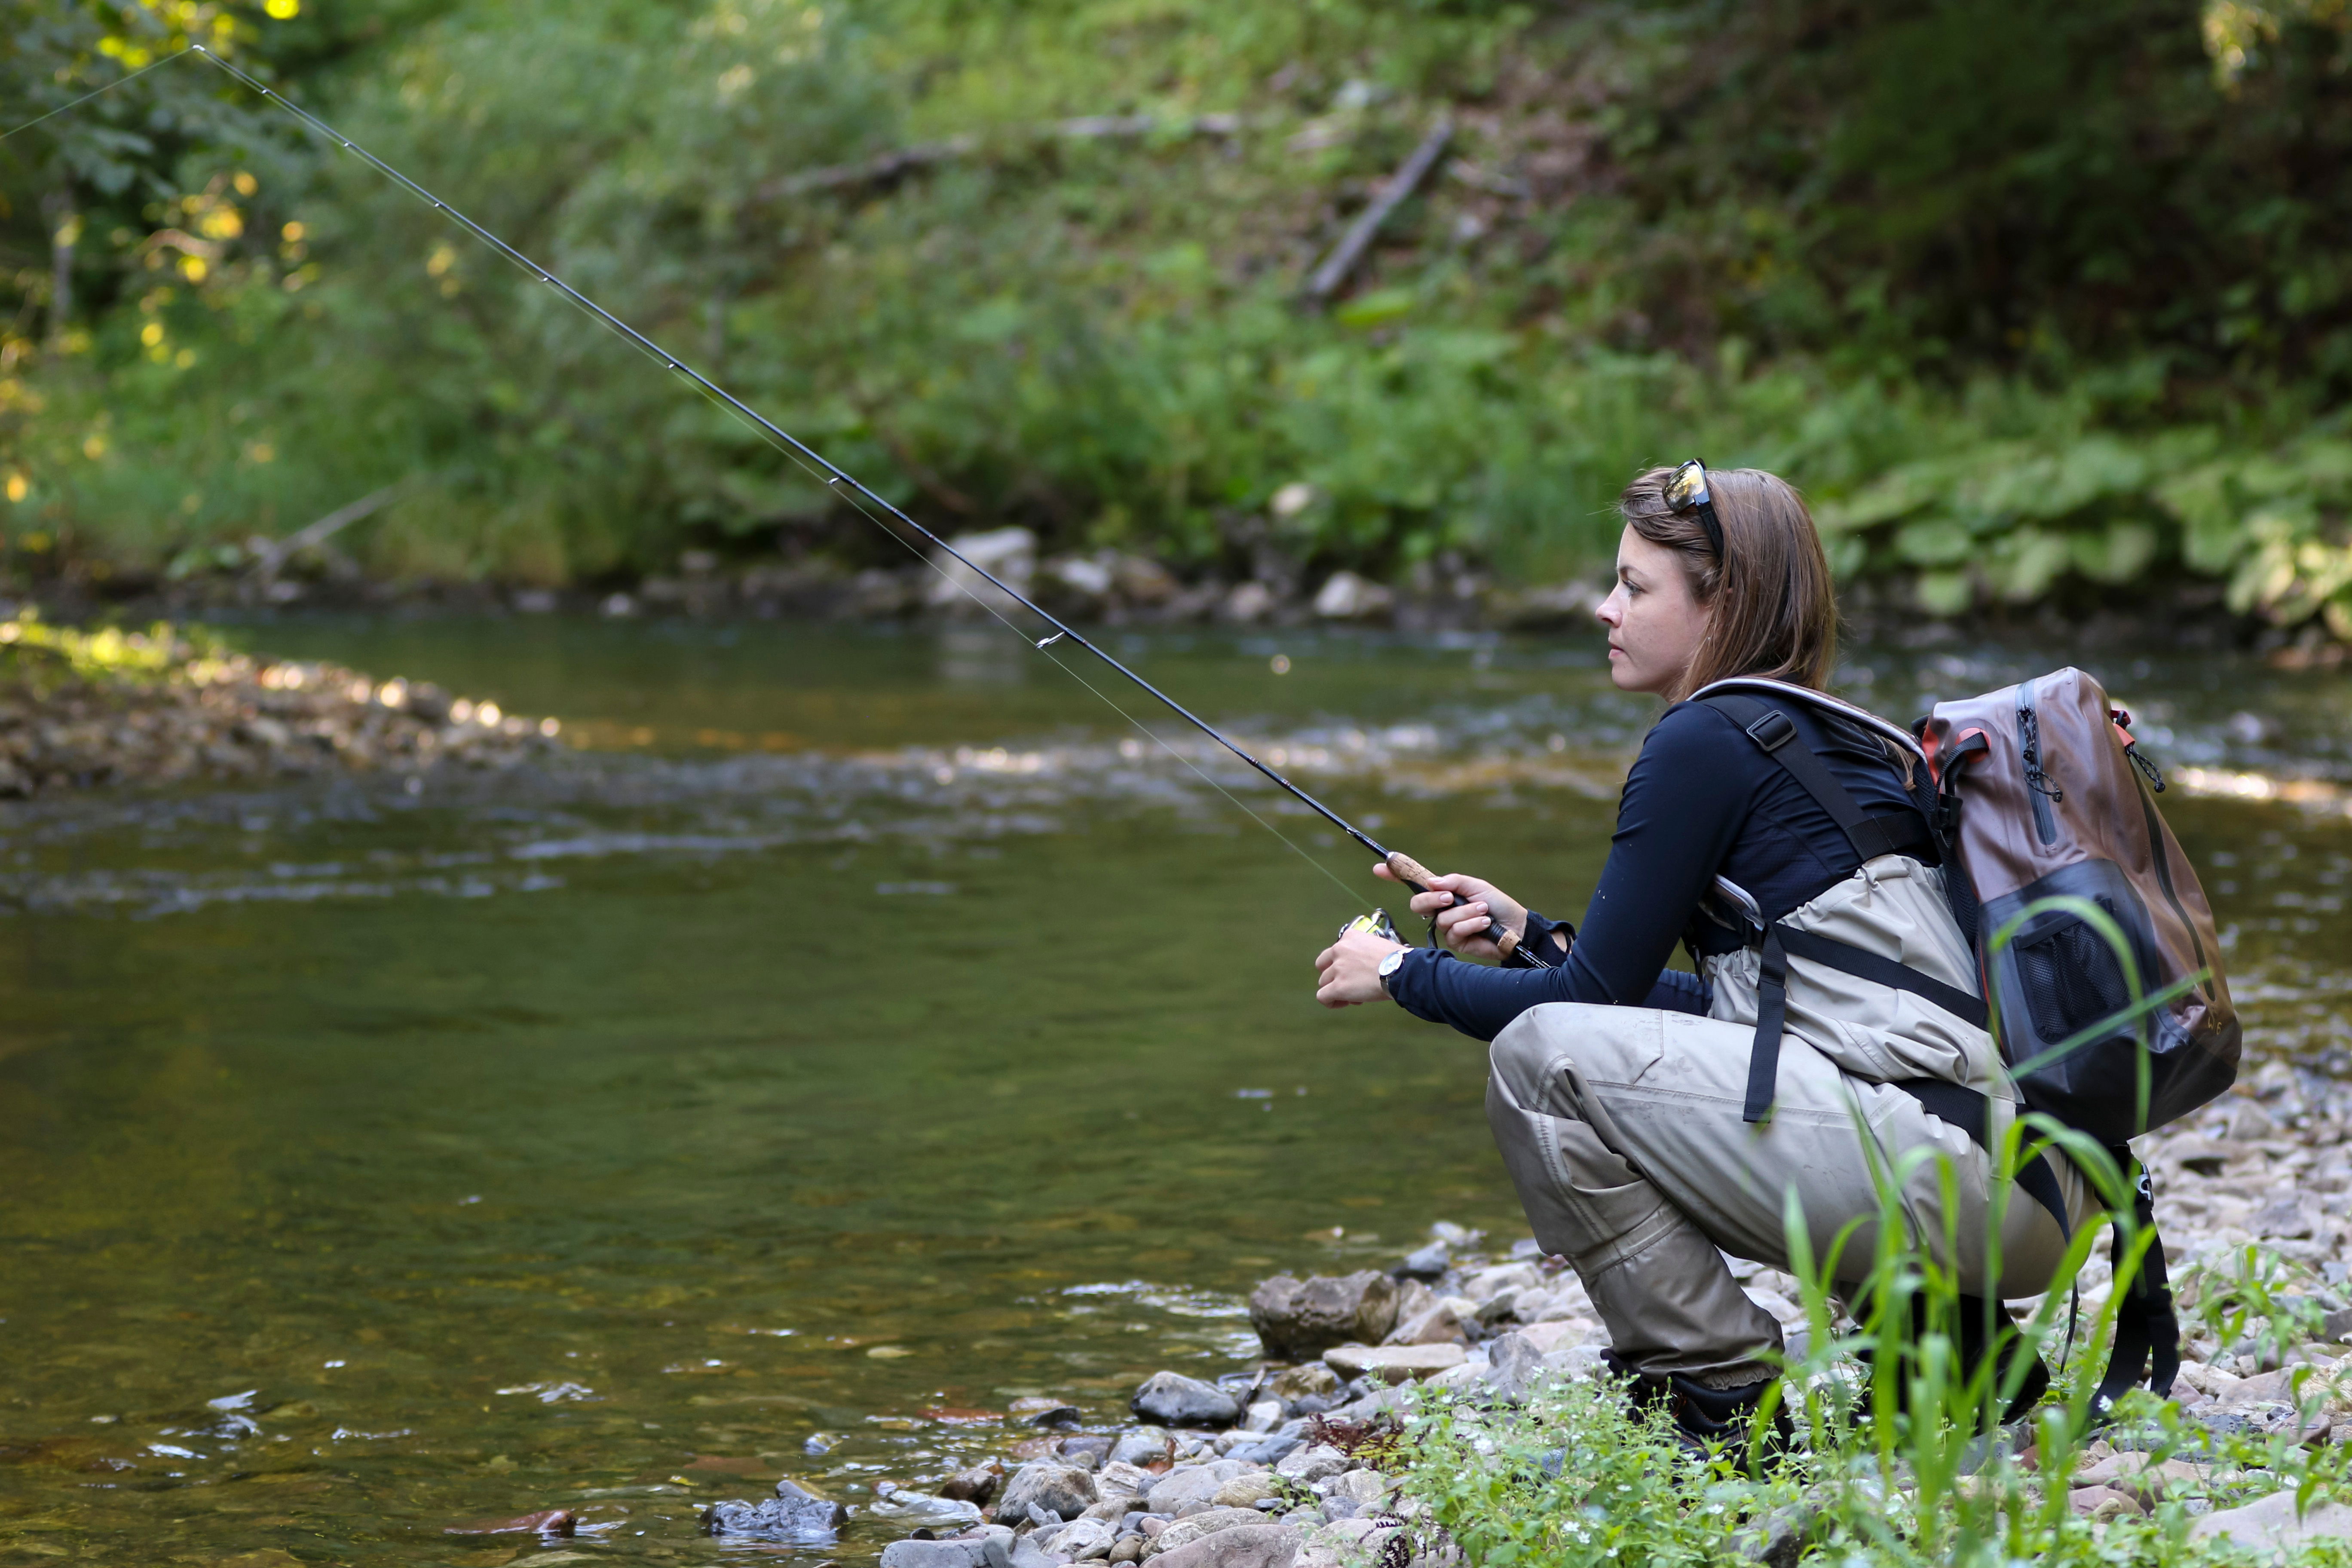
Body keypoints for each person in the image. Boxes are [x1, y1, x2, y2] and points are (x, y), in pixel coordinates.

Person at [1311, 462, 2095, 1450]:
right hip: (2035, 1184)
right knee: (1663, 1049)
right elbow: (1744, 1019)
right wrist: (1531, 936)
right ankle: (1957, 1358)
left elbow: (1589, 1007)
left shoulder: (1700, 742)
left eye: (1636, 588)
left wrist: (1401, 976)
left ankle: (1723, 1400)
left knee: (1539, 1064)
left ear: (1722, 604)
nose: (1606, 609)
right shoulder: (1834, 741)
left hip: (1967, 1184)